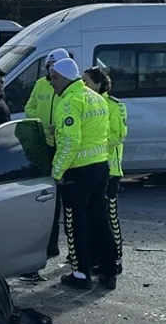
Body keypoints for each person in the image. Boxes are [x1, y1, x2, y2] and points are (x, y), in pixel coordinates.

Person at [50, 57, 118, 291]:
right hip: (100, 166)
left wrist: (57, 172)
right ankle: (109, 271)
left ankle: (80, 274)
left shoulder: (70, 101)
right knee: (99, 220)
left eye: (53, 78)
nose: (51, 83)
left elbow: (70, 140)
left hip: (77, 171)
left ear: (62, 78)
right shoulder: (96, 98)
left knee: (74, 222)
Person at [26, 48, 73, 261]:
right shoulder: (41, 85)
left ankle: (73, 249)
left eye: (55, 67)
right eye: (49, 67)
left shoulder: (69, 88)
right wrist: (44, 126)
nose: (51, 71)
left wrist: (60, 127)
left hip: (65, 145)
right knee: (50, 200)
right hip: (46, 144)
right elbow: (30, 108)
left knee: (70, 202)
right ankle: (51, 244)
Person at [83, 66, 127, 280]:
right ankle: (96, 257)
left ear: (99, 84)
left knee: (110, 217)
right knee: (95, 218)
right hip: (93, 169)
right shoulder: (86, 103)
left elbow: (117, 136)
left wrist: (92, 143)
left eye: (87, 82)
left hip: (109, 169)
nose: (84, 86)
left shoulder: (113, 106)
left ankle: (115, 258)